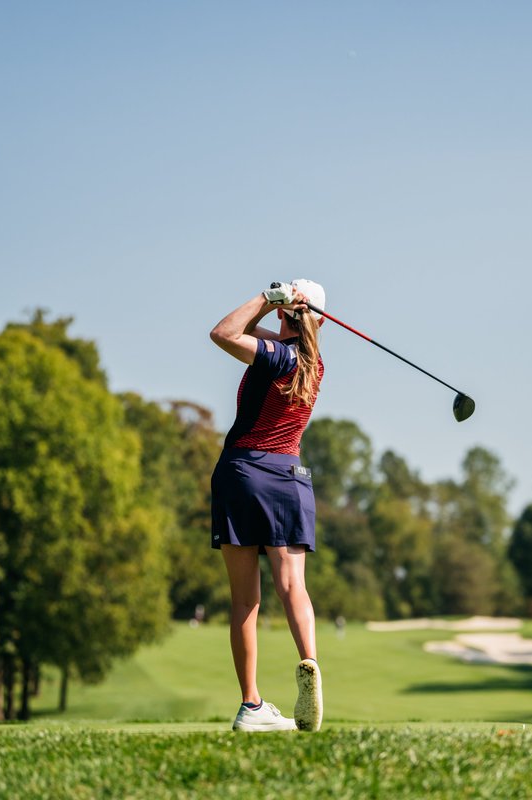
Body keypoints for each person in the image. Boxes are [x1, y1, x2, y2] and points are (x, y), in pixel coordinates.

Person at [209, 279, 327, 732]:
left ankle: (252, 705)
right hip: (290, 478)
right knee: (293, 585)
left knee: (245, 601)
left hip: (243, 472)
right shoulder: (314, 364)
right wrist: (289, 311)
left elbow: (223, 332)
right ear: (320, 322)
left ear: (285, 314)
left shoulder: (275, 354)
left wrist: (265, 297)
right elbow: (264, 338)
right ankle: (309, 660)